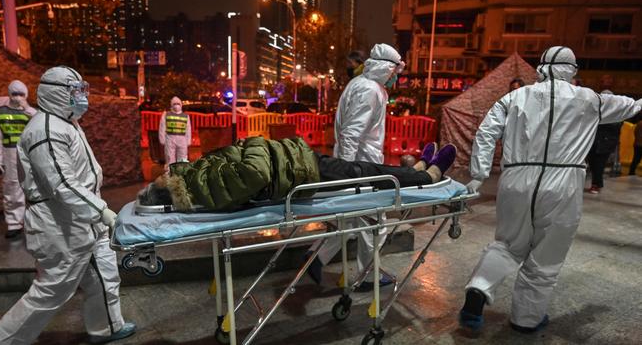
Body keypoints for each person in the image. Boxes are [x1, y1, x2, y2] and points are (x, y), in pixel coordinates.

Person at [461, 46, 641, 333]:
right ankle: (525, 319)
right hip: (563, 182)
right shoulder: (591, 99)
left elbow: (486, 132)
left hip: (517, 178)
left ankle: (479, 289)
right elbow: (634, 107)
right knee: (546, 254)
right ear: (572, 69)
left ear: (541, 67)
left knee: (508, 243)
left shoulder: (514, 96)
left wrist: (479, 174)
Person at [0, 67, 136, 344]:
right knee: (52, 290)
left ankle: (107, 326)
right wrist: (102, 211)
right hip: (59, 224)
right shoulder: (45, 130)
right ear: (57, 93)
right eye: (75, 91)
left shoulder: (65, 122)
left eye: (82, 90)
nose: (82, 96)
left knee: (105, 276)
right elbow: (62, 184)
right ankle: (2, 340)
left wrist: (96, 212)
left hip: (82, 219)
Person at [305, 43, 405, 290]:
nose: (395, 78)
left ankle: (316, 258)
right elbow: (351, 134)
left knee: (350, 220)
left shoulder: (361, 84)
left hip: (357, 163)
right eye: (393, 73)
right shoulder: (370, 90)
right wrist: (347, 171)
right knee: (374, 224)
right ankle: (367, 276)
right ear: (385, 68)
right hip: (362, 167)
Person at [138, 136, 457, 213]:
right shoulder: (199, 185)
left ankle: (413, 172)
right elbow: (255, 171)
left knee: (364, 171)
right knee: (363, 173)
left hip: (293, 161)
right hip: (296, 171)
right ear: (169, 186)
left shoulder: (196, 176)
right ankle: (426, 177)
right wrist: (255, 141)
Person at [0, 80, 36, 239]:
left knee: (35, 188)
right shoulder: (0, 112)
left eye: (21, 94)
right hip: (9, 154)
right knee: (11, 189)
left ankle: (35, 222)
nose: (17, 97)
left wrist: (27, 108)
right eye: (14, 94)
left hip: (29, 154)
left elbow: (41, 122)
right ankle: (14, 223)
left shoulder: (30, 112)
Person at [586, 89, 622, 194]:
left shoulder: (616, 111)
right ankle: (596, 183)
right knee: (592, 164)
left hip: (606, 143)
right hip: (592, 141)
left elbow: (617, 125)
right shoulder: (595, 109)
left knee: (599, 164)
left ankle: (596, 185)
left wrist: (602, 119)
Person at [159, 96, 192, 169]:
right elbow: (162, 127)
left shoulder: (186, 116)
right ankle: (170, 174)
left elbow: (188, 129)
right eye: (174, 104)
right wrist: (162, 139)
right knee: (170, 158)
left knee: (182, 158)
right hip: (170, 138)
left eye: (178, 104)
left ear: (181, 105)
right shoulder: (166, 115)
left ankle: (181, 174)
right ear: (171, 105)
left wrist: (188, 140)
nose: (176, 105)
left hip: (182, 139)